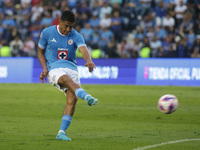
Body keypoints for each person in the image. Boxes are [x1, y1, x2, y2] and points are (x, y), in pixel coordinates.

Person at [37, 10, 98, 141]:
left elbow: (83, 50)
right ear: (59, 22)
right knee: (65, 79)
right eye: (66, 26)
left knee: (72, 99)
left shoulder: (76, 36)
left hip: (72, 68)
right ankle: (86, 96)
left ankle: (61, 132)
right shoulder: (47, 33)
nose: (68, 29)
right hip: (54, 68)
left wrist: (88, 60)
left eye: (71, 26)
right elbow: (40, 52)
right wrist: (44, 68)